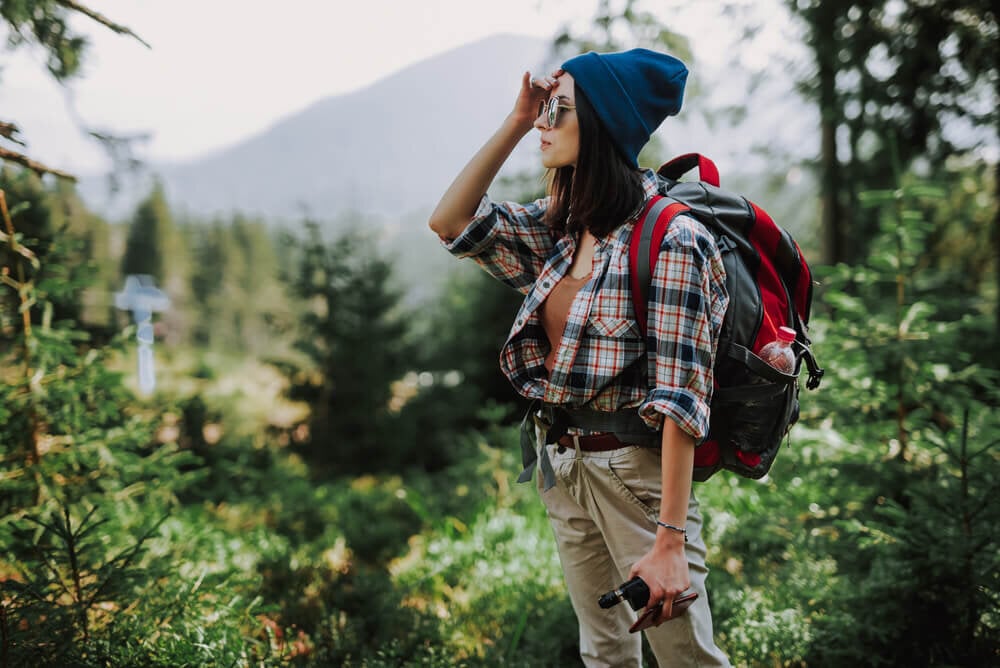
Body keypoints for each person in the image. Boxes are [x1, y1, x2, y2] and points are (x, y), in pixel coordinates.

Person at [428, 48, 731, 667]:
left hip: (640, 480)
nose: (544, 122)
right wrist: (517, 121)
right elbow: (451, 220)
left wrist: (669, 540)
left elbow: (681, 399)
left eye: (557, 111)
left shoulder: (674, 238)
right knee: (604, 656)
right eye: (544, 109)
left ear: (602, 125)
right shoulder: (565, 228)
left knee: (687, 660)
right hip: (564, 469)